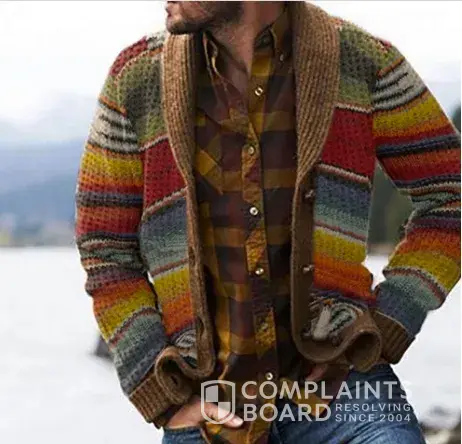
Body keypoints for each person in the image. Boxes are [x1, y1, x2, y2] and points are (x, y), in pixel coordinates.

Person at [74, 1, 461, 443]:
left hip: (346, 391)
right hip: (211, 408)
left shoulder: (362, 62)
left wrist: (391, 319)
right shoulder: (137, 79)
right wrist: (163, 392)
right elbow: (104, 247)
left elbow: (452, 198)